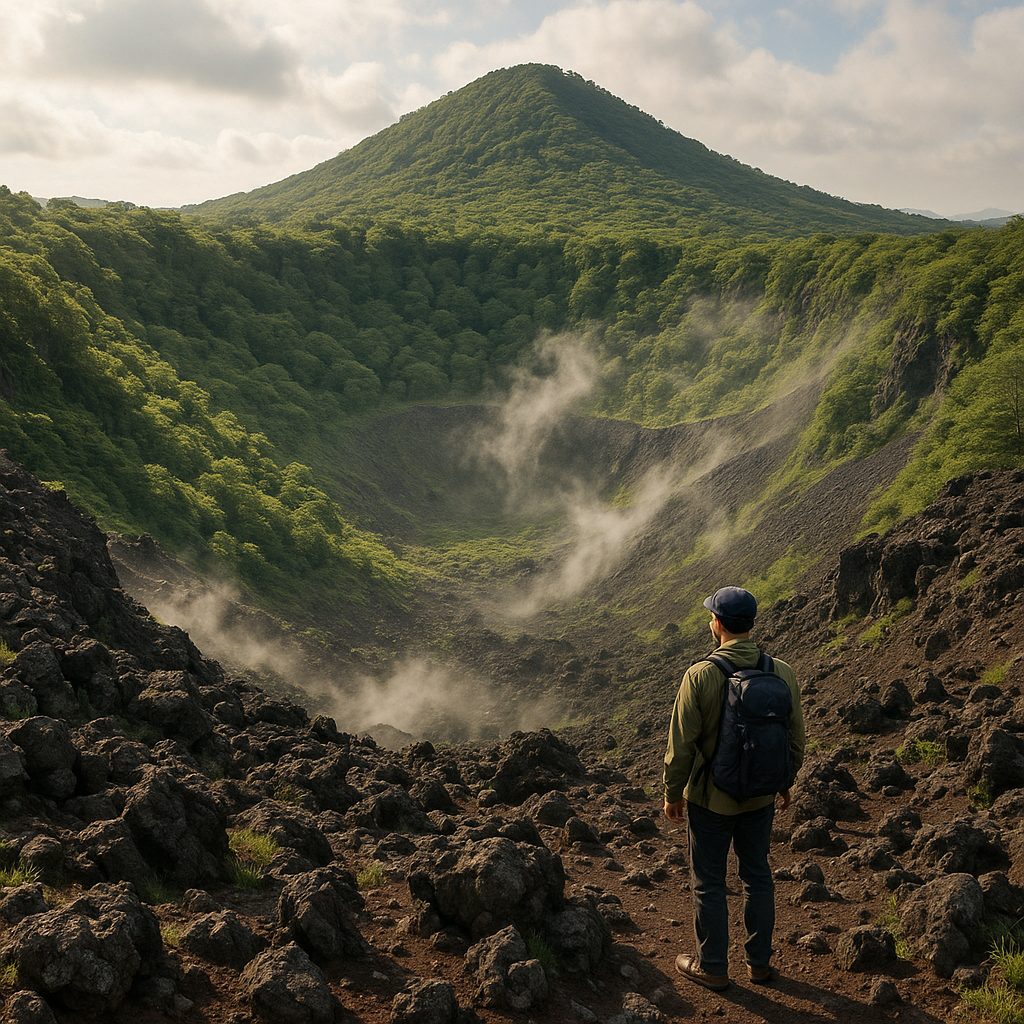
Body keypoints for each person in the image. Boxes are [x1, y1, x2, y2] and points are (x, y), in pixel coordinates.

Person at [662, 586, 805, 991]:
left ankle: (712, 967)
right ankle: (759, 965)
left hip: (710, 800)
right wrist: (784, 782)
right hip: (761, 797)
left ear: (719, 625)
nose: (710, 621)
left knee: (709, 881)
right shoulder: (782, 672)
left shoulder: (700, 675)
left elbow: (681, 746)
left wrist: (673, 793)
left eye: (711, 616)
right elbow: (796, 738)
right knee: (757, 875)